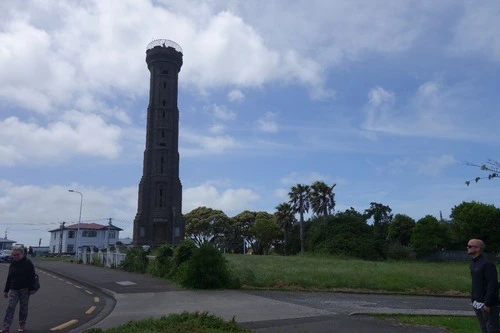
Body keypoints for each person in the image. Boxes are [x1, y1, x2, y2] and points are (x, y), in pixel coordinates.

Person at [468, 239, 500, 333]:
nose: (467, 248)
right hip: (477, 302)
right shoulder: (473, 263)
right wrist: (473, 299)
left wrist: (488, 303)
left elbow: (492, 284)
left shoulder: (487, 264)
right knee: (484, 329)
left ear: (478, 249)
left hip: (488, 304)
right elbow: (477, 283)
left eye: (470, 246)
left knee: (492, 329)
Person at [2, 246, 36, 333]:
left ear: (22, 254)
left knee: (23, 308)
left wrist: (32, 288)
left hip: (25, 289)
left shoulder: (28, 263)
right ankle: (6, 326)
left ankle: (22, 324)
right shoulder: (12, 263)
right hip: (14, 289)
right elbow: (9, 277)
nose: (15, 256)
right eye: (14, 255)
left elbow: (32, 276)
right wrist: (6, 290)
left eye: (17, 254)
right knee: (11, 307)